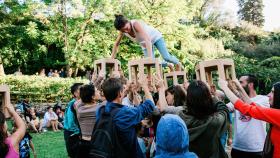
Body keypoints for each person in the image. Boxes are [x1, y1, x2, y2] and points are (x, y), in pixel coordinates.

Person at [92, 77, 155, 158]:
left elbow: (113, 100)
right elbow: (150, 105)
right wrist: (145, 87)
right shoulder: (126, 113)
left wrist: (125, 91)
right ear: (120, 93)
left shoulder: (100, 111)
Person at [218, 79, 280, 158]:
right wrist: (239, 88)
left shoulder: (278, 114)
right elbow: (253, 106)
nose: (268, 95)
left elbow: (246, 109)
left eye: (273, 92)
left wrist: (225, 88)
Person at [112, 14, 182, 71]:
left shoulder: (135, 24)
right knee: (152, 64)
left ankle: (177, 63)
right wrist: (112, 58)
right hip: (145, 44)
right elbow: (116, 44)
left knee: (166, 57)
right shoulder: (122, 32)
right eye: (123, 31)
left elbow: (147, 39)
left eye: (126, 28)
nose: (126, 31)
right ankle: (169, 64)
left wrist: (149, 57)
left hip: (155, 37)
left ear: (128, 22)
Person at [226, 75, 269, 158]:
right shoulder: (237, 100)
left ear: (250, 85)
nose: (237, 85)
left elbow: (254, 108)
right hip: (237, 148)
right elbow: (223, 109)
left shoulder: (264, 99)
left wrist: (236, 92)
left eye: (240, 82)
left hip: (257, 149)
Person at [76, 84, 101, 157]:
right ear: (93, 97)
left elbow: (81, 100)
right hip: (96, 144)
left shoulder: (79, 108)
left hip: (83, 143)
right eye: (97, 91)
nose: (99, 91)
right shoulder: (100, 108)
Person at [64, 83, 83, 158]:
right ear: (75, 93)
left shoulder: (80, 103)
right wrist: (79, 133)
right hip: (72, 133)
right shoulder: (73, 104)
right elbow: (70, 123)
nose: (84, 91)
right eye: (81, 89)